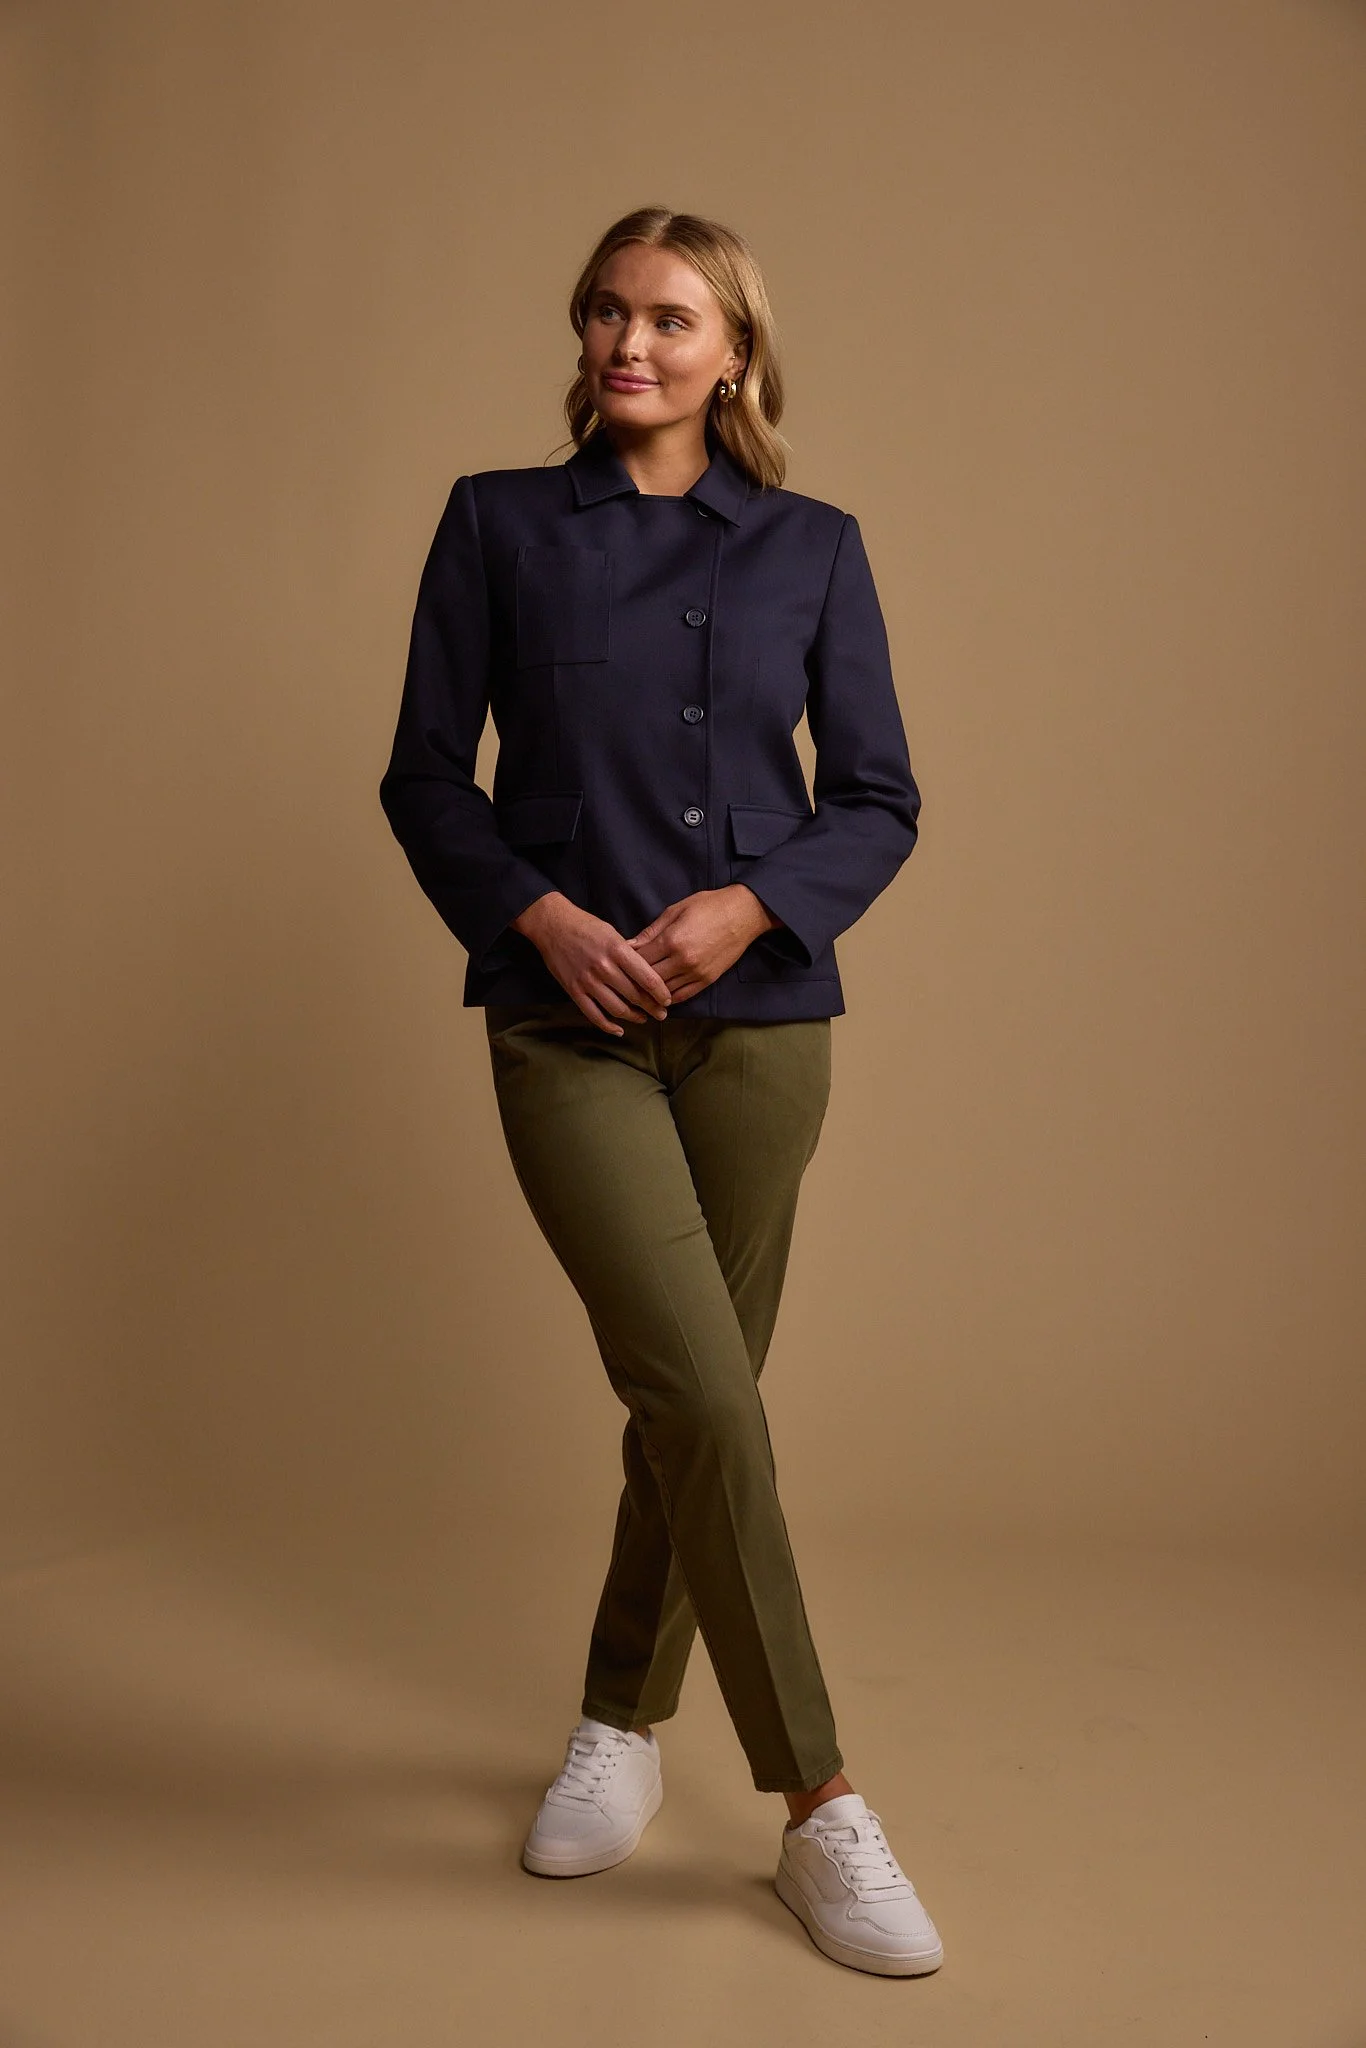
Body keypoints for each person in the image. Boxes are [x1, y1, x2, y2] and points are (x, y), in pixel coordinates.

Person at [378, 206, 944, 1978]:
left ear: (734, 351)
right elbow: (419, 777)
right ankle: (821, 1805)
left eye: (671, 318)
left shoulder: (812, 550)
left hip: (762, 1025)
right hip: (567, 1026)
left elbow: (877, 797)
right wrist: (540, 916)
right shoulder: (496, 523)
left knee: (699, 1406)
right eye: (609, 313)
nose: (632, 343)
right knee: (700, 1387)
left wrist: (753, 904)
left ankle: (622, 1717)